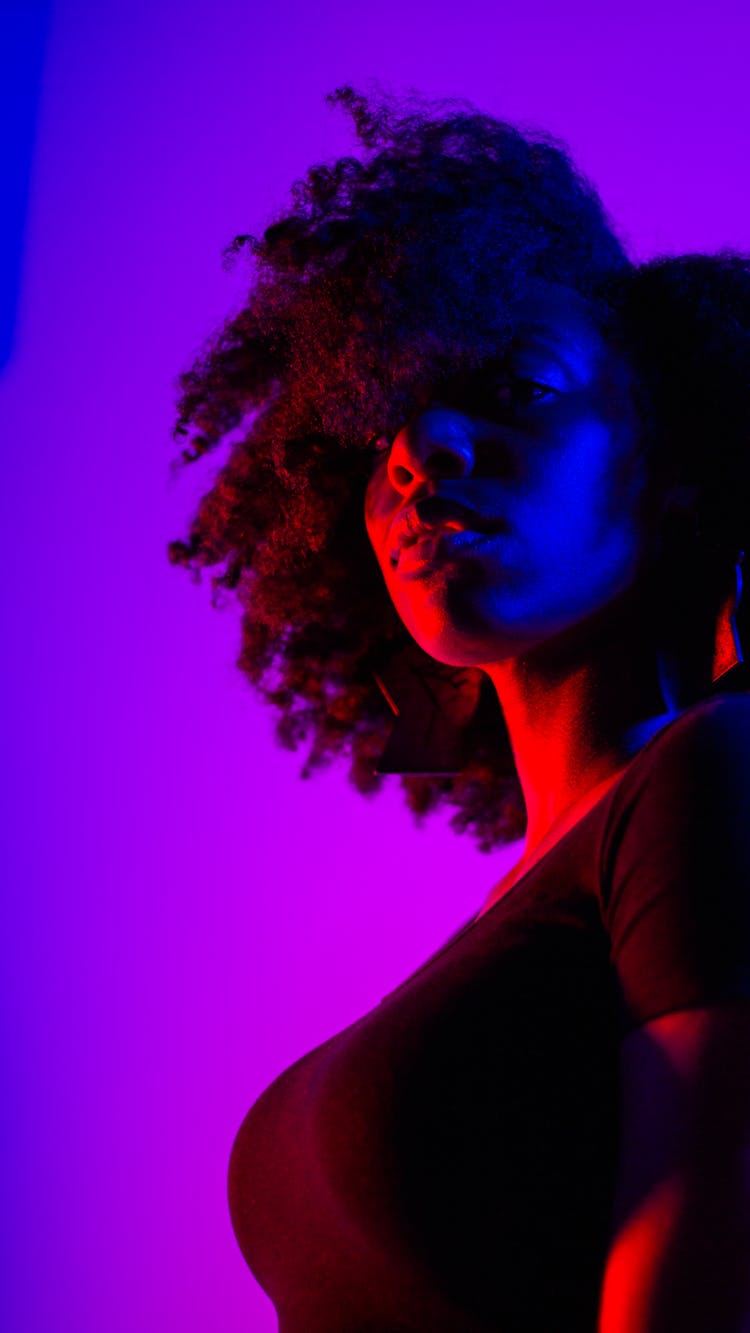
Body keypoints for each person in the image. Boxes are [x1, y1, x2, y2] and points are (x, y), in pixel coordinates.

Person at [168, 87, 750, 1332]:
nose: (424, 446)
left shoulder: (717, 775)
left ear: (685, 468)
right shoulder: (545, 897)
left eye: (517, 389)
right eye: (387, 428)